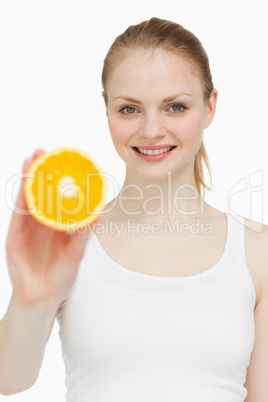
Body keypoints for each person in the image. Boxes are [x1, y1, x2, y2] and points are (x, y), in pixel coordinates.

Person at [0, 17, 267, 402]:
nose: (152, 130)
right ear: (106, 108)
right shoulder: (69, 245)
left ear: (209, 107)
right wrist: (31, 296)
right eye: (130, 109)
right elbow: (9, 380)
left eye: (175, 107)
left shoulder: (258, 251)